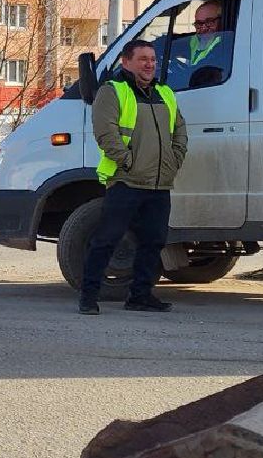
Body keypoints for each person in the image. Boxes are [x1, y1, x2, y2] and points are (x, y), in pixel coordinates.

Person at [79, 38, 188, 315]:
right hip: (125, 181)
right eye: (143, 59)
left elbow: (180, 131)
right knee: (107, 240)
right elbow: (106, 133)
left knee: (154, 241)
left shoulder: (165, 92)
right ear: (126, 62)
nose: (149, 64)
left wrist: (174, 161)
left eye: (152, 59)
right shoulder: (112, 91)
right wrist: (128, 162)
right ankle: (88, 297)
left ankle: (140, 296)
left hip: (159, 183)